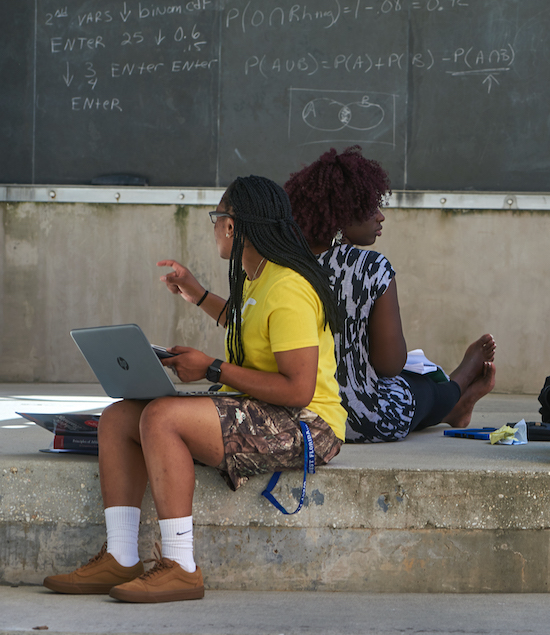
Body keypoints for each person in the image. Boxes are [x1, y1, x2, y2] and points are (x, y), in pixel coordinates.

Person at [43, 175, 346, 602]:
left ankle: (180, 566)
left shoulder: (289, 287)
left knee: (162, 417)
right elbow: (248, 326)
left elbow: (298, 390)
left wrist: (213, 369)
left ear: (231, 224)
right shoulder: (258, 276)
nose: (214, 227)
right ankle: (121, 555)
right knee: (119, 417)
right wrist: (197, 293)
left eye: (216, 217)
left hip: (309, 426)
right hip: (265, 408)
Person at [284, 146, 496, 443]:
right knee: (415, 386)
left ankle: (454, 407)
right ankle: (458, 385)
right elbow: (389, 365)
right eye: (370, 207)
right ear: (342, 215)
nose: (380, 217)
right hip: (363, 420)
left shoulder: (282, 266)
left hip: (299, 420)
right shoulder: (371, 268)